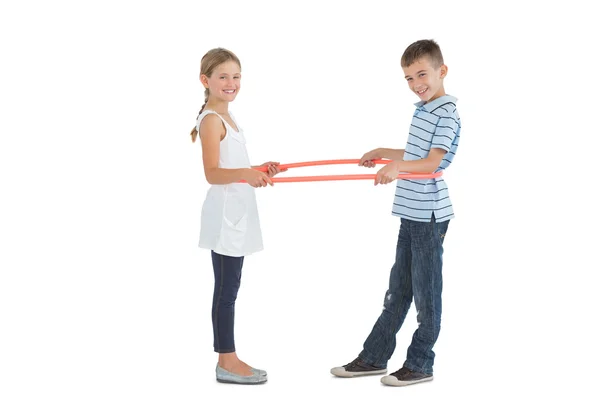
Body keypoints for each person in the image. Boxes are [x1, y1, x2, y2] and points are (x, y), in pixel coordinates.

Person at [330, 39, 461, 387]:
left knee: (426, 292)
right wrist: (384, 153)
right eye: (408, 78)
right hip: (411, 214)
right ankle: (374, 357)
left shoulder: (446, 112)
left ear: (441, 71)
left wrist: (398, 167)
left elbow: (432, 161)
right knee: (398, 291)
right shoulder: (424, 108)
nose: (416, 83)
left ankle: (420, 363)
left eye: (422, 74)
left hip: (429, 215)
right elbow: (416, 152)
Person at [190, 47, 285, 385]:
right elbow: (213, 174)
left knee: (229, 286)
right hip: (225, 216)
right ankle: (226, 361)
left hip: (237, 212)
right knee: (227, 289)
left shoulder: (227, 117)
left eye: (236, 76)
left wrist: (258, 169)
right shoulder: (212, 120)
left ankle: (227, 358)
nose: (231, 82)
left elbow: (232, 166)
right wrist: (246, 173)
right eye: (223, 77)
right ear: (206, 80)